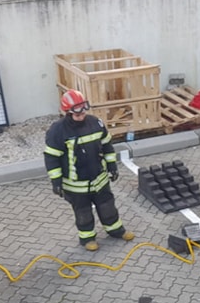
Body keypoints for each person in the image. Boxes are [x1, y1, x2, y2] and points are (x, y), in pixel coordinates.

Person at [44, 89, 134, 251]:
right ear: (67, 112)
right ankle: (87, 238)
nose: (81, 115)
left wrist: (112, 166)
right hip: (76, 184)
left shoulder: (95, 123)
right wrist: (56, 181)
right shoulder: (58, 131)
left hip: (99, 179)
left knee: (107, 206)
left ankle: (115, 230)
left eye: (83, 110)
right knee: (83, 212)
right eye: (77, 112)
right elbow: (51, 157)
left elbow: (107, 146)